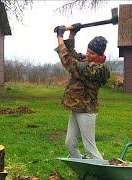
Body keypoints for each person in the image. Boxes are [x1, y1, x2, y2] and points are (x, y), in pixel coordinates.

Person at [54, 24, 110, 159]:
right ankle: (86, 170)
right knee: (70, 144)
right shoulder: (87, 60)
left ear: (100, 55)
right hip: (77, 107)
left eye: (92, 53)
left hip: (87, 110)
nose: (88, 54)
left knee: (90, 147)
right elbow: (72, 53)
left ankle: (102, 172)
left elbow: (68, 61)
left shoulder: (96, 69)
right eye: (88, 50)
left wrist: (60, 37)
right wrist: (72, 34)